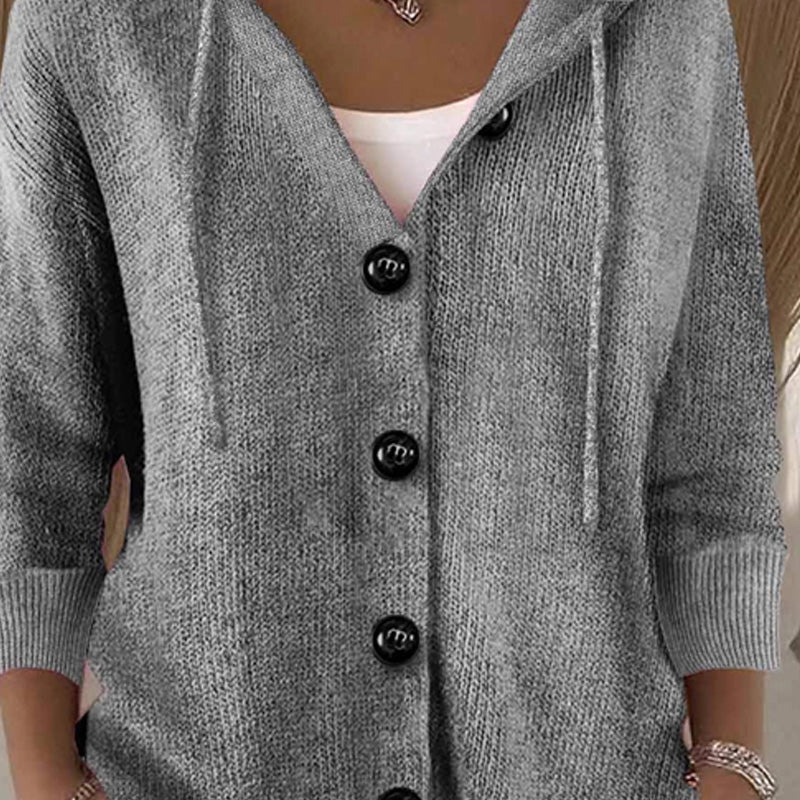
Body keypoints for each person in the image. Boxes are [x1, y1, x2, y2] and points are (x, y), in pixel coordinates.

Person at [0, 0, 788, 798]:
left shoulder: (663, 18)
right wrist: (45, 778)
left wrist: (733, 766)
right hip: (194, 768)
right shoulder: (97, 19)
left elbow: (713, 430)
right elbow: (31, 433)